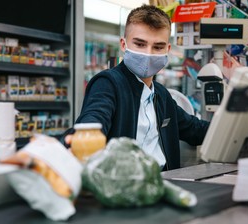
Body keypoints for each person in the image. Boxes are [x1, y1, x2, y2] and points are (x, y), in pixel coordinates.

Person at [63, 4, 209, 171]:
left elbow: (194, 130)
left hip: (164, 182)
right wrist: (75, 141)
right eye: (140, 44)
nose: (148, 53)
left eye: (158, 47)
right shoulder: (108, 83)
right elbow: (94, 120)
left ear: (167, 49)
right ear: (124, 45)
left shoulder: (162, 95)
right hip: (123, 186)